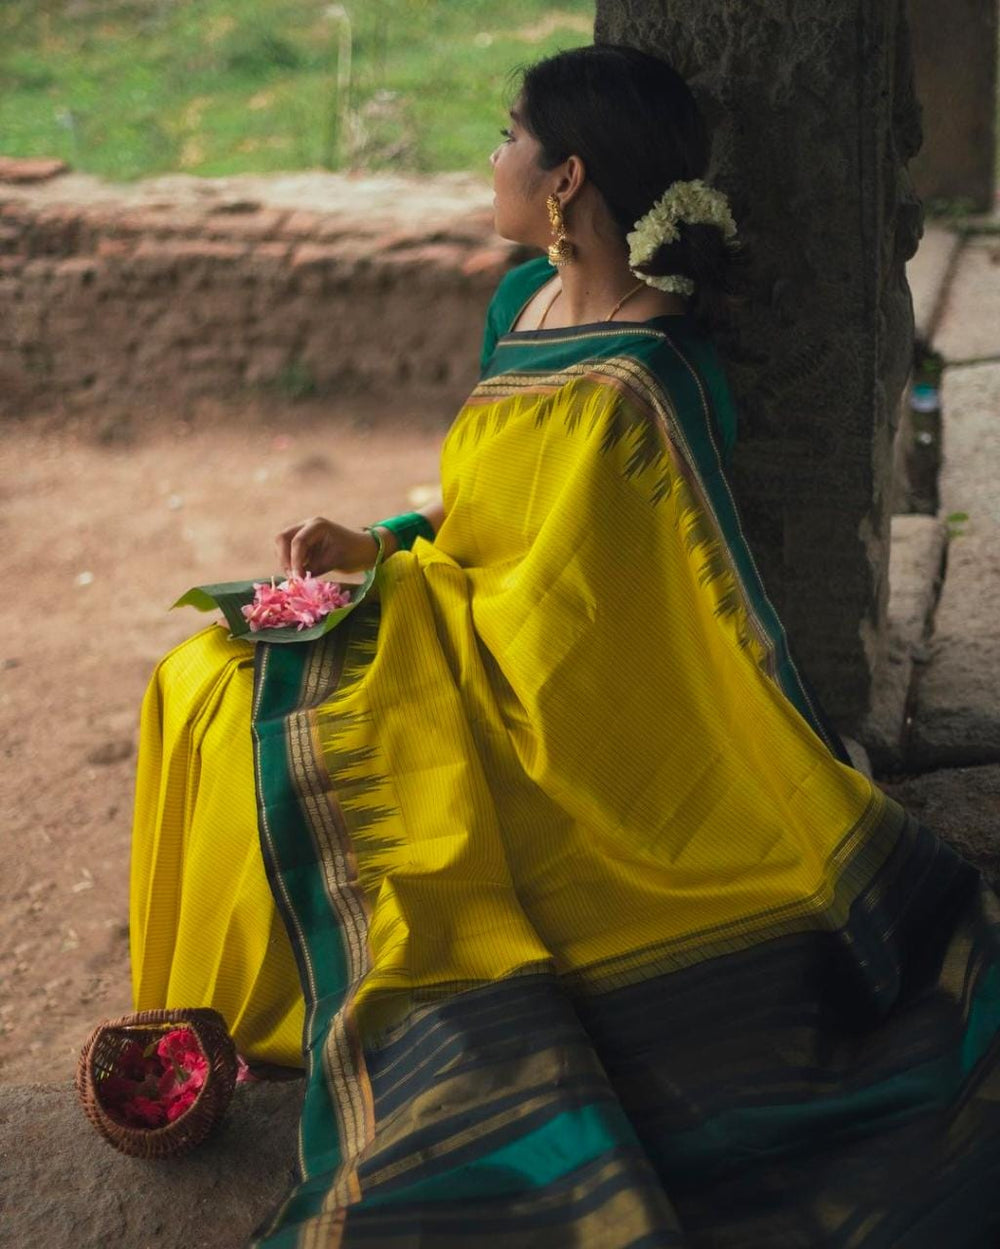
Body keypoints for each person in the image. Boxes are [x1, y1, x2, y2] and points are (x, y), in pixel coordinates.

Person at [130, 44, 1000, 1248]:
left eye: (506, 138)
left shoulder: (655, 371)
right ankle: (212, 1027)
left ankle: (300, 1024)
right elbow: (477, 501)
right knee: (198, 672)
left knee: (252, 706)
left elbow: (597, 612)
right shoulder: (518, 306)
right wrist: (374, 536)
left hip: (542, 702)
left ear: (565, 176)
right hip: (445, 605)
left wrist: (419, 598)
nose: (489, 159)